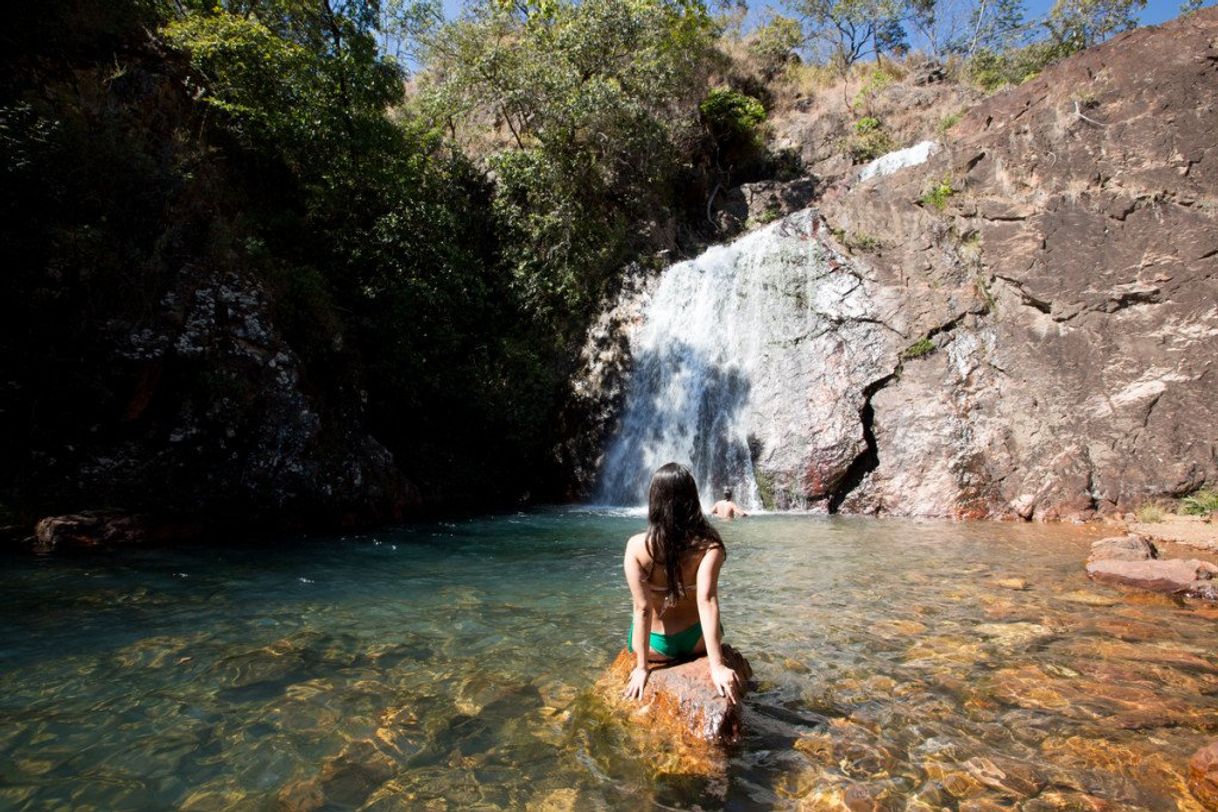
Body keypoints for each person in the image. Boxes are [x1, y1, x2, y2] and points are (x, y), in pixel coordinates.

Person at [622, 463, 742, 704]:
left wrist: (642, 668)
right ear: (692, 499)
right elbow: (707, 601)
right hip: (696, 642)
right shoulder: (710, 546)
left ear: (654, 500)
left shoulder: (636, 547)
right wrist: (716, 665)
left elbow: (643, 609)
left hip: (656, 649)